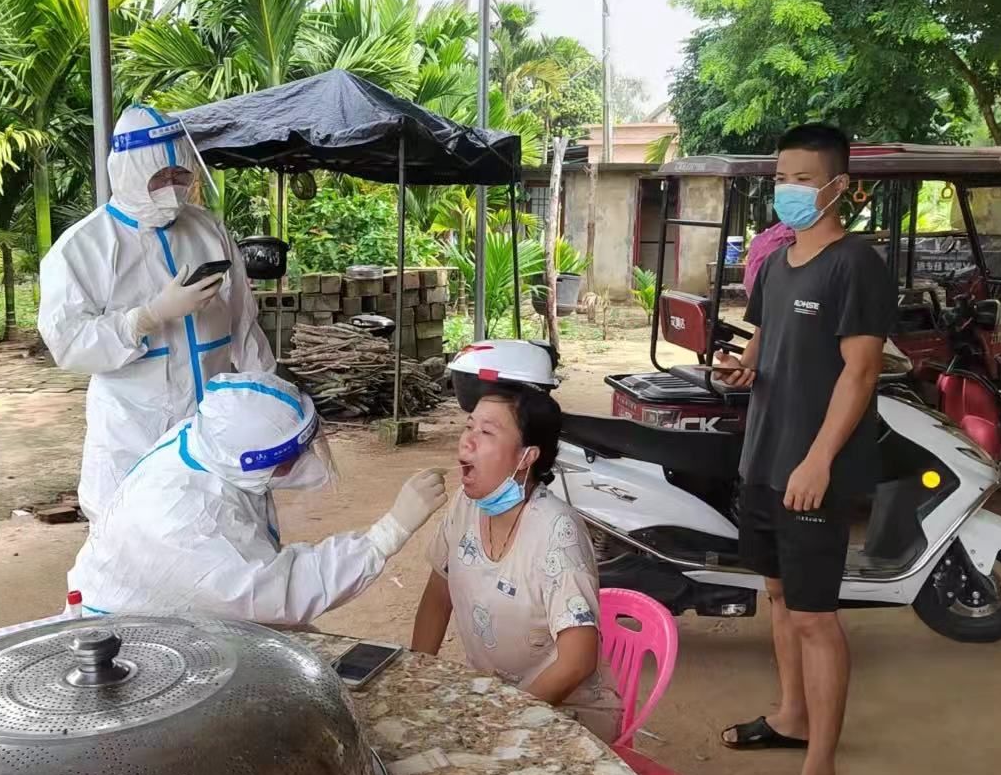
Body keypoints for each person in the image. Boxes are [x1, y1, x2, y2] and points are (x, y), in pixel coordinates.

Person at [715, 122, 892, 775]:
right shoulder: (778, 264)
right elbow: (765, 341)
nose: (787, 189)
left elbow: (861, 371)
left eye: (802, 178)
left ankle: (820, 774)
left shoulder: (856, 265)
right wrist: (743, 367)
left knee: (816, 616)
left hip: (814, 469)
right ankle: (791, 716)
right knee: (780, 594)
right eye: (781, 177)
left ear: (838, 187)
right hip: (763, 459)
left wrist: (818, 460)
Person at [40, 104, 271, 521]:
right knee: (137, 535)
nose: (172, 189)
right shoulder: (84, 247)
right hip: (134, 435)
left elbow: (244, 323)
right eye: (159, 178)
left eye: (180, 176)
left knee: (223, 531)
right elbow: (68, 343)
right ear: (128, 172)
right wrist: (147, 316)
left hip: (213, 427)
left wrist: (269, 394)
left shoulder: (208, 229)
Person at [67, 372, 448, 625]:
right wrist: (387, 534)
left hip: (174, 616)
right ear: (252, 461)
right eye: (291, 457)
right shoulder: (183, 520)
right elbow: (277, 592)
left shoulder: (208, 443)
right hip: (128, 640)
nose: (305, 462)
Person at [410, 384, 622, 742]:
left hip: (567, 712)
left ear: (526, 457)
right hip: (494, 702)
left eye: (487, 432)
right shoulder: (465, 505)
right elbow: (437, 595)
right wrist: (416, 677)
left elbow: (578, 659)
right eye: (468, 426)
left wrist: (504, 719)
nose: (467, 442)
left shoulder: (557, 533)